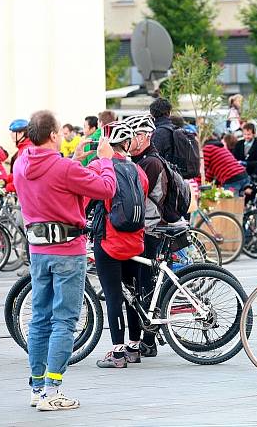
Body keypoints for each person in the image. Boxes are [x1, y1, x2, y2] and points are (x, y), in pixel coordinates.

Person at [13, 110, 116, 411]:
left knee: (40, 318)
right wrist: (106, 160)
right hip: (68, 250)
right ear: (54, 135)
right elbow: (106, 189)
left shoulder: (21, 164)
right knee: (65, 320)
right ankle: (52, 391)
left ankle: (36, 388)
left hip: (38, 251)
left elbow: (54, 187)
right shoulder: (62, 167)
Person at [92, 121, 150, 369]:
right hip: (135, 240)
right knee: (133, 293)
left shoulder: (98, 166)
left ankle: (117, 354)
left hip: (110, 241)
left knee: (113, 295)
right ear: (127, 144)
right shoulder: (138, 170)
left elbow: (88, 196)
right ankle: (134, 347)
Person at [125, 113, 171, 358]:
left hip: (149, 230)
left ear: (143, 137)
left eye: (132, 136)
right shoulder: (141, 159)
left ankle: (149, 339)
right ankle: (145, 338)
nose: (129, 141)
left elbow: (135, 196)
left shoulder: (150, 162)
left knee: (145, 285)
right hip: (143, 229)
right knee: (140, 285)